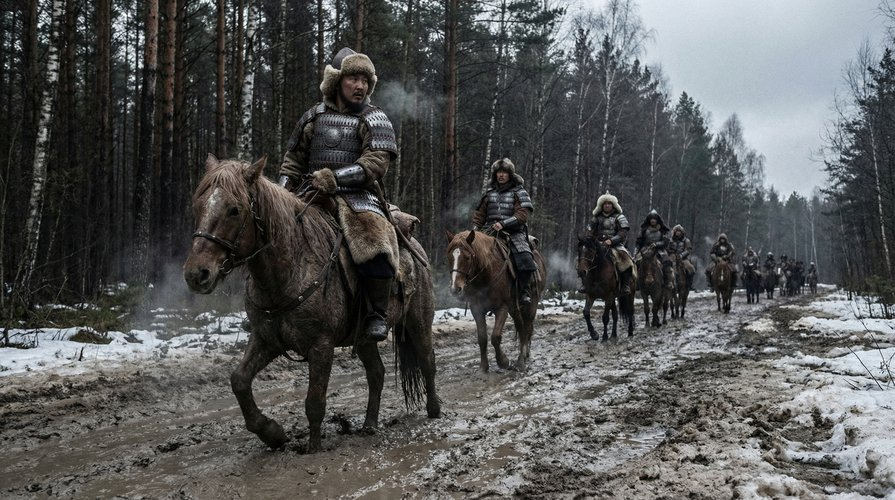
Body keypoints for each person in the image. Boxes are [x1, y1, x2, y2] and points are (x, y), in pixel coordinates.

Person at [277, 47, 398, 342]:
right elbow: (293, 161)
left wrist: (335, 179)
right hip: (309, 195)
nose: (360, 86)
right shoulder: (313, 117)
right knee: (271, 237)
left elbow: (376, 162)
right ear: (336, 81)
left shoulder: (375, 118)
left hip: (358, 199)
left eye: (365, 80)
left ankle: (376, 313)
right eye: (353, 78)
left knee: (375, 244)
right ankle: (268, 309)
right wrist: (279, 197)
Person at [471, 158, 537, 305]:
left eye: (504, 172)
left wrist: (504, 223)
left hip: (514, 233)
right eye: (498, 172)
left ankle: (524, 291)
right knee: (469, 254)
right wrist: (474, 230)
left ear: (510, 174)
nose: (501, 175)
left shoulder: (519, 192)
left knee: (525, 258)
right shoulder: (489, 193)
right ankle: (471, 292)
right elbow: (479, 215)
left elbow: (522, 215)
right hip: (488, 232)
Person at [580, 192, 635, 294]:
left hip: (615, 245)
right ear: (601, 205)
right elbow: (589, 230)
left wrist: (612, 240)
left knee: (627, 261)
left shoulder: (619, 217)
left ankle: (625, 285)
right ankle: (585, 284)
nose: (607, 205)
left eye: (609, 203)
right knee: (583, 258)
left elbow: (623, 232)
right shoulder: (596, 218)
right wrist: (590, 239)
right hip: (597, 244)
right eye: (605, 203)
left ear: (613, 205)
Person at [634, 210, 674, 289]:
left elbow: (666, 242)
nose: (653, 220)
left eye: (654, 219)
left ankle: (668, 282)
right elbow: (639, 241)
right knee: (637, 263)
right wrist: (636, 251)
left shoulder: (663, 230)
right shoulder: (644, 230)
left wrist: (656, 244)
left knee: (667, 263)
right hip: (645, 250)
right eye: (651, 219)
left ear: (657, 220)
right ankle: (637, 282)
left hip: (659, 250)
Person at [668, 224, 696, 289]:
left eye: (679, 231)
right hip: (672, 257)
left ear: (682, 232)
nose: (678, 232)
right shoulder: (670, 240)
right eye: (676, 231)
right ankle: (666, 283)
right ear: (674, 232)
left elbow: (688, 250)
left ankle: (689, 284)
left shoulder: (686, 240)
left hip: (683, 258)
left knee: (691, 268)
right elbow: (667, 248)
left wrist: (682, 255)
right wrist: (671, 253)